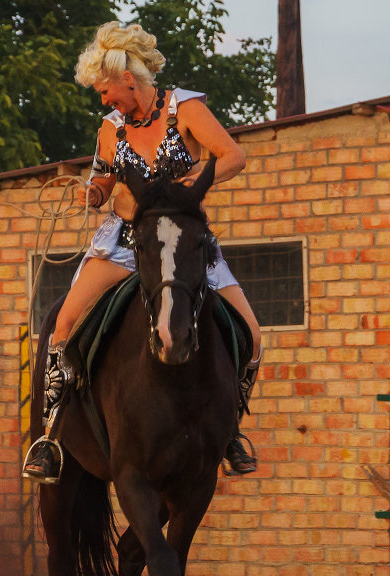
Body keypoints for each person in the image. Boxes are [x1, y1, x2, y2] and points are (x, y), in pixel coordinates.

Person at [23, 21, 263, 484]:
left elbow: (233, 156)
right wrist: (92, 194)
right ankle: (51, 437)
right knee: (63, 325)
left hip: (182, 242)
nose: (103, 99)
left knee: (252, 335)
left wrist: (188, 187)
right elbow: (102, 180)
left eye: (105, 90)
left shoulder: (186, 108)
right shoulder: (110, 131)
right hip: (124, 244)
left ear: (128, 79)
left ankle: (229, 431)